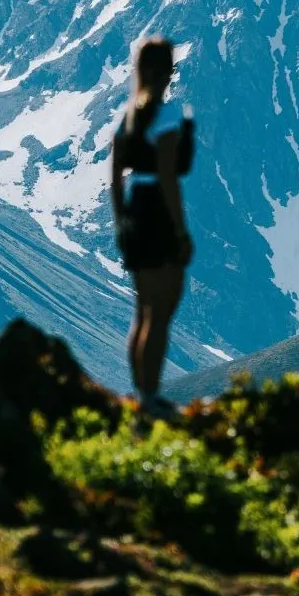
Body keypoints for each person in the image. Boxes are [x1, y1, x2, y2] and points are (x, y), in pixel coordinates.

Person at [111, 36, 194, 416]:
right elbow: (167, 175)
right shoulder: (168, 116)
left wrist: (122, 222)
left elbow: (115, 177)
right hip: (159, 211)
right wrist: (180, 231)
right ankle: (150, 397)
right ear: (166, 72)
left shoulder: (128, 117)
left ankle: (140, 394)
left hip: (135, 209)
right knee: (162, 310)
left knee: (142, 309)